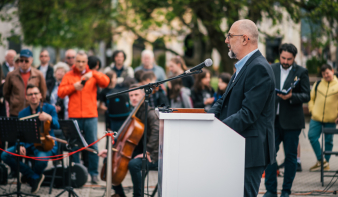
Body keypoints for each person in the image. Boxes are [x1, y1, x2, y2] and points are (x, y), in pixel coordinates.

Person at [208, 19, 275, 197]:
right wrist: (204, 119)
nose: (226, 40)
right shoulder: (244, 66)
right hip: (238, 145)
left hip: (250, 150)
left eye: (230, 36)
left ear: (245, 39)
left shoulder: (258, 68)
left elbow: (248, 114)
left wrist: (217, 129)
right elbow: (224, 101)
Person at [264, 43, 310, 197]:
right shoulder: (272, 68)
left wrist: (292, 96)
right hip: (273, 121)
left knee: (290, 157)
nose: (285, 61)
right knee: (269, 155)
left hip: (292, 122)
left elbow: (307, 95)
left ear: (294, 58)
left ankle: (286, 191)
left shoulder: (302, 72)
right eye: (283, 58)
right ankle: (270, 191)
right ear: (279, 56)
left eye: (289, 59)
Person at [57, 50, 110, 184]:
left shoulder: (92, 74)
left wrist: (94, 73)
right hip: (74, 115)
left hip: (90, 115)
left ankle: (93, 174)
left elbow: (106, 82)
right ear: (74, 62)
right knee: (74, 145)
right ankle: (77, 172)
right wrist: (73, 87)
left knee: (92, 144)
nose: (80, 64)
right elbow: (61, 93)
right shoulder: (68, 75)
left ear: (87, 62)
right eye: (78, 61)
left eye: (83, 62)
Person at [98, 84, 159, 197]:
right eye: (131, 95)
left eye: (136, 94)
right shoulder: (133, 112)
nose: (134, 98)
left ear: (143, 95)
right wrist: (112, 150)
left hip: (152, 154)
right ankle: (119, 194)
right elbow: (124, 138)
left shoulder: (150, 113)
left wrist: (148, 151)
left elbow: (157, 131)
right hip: (136, 151)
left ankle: (138, 195)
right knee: (108, 160)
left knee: (133, 165)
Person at [1, 84, 59, 194]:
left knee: (41, 161)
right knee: (5, 155)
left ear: (40, 95)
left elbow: (57, 125)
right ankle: (34, 176)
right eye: (30, 94)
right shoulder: (23, 113)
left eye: (36, 93)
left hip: (44, 144)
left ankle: (31, 177)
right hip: (28, 144)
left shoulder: (50, 109)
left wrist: (49, 118)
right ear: (26, 97)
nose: (33, 96)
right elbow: (20, 133)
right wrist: (21, 144)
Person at [307, 64, 338, 172]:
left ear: (332, 71)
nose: (325, 75)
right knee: (312, 136)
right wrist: (312, 110)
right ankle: (322, 161)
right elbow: (311, 98)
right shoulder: (318, 84)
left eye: (327, 73)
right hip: (316, 117)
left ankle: (326, 163)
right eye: (323, 74)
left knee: (328, 141)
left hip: (331, 119)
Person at [3, 49, 47, 117]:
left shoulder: (38, 74)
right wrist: (14, 102)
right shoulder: (11, 75)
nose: (24, 63)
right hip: (15, 112)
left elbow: (43, 93)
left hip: (33, 112)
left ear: (31, 60)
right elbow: (6, 93)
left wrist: (36, 105)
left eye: (26, 61)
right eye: (21, 60)